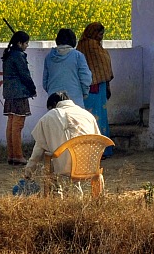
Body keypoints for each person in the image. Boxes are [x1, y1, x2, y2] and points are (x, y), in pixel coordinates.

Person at [22, 91, 101, 194]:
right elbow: (98, 140)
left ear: (54, 105)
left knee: (46, 165)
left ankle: (57, 196)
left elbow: (37, 152)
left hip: (64, 168)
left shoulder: (49, 117)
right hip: (90, 164)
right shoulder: (87, 115)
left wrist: (28, 172)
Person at [76, 22, 114, 157]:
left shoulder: (81, 45)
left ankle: (91, 150)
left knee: (92, 117)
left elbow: (102, 64)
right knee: (97, 118)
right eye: (99, 34)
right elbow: (102, 63)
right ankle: (100, 150)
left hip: (89, 87)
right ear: (93, 33)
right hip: (94, 87)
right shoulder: (91, 46)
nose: (101, 37)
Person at [1, 30, 36, 165]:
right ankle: (18, 155)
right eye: (26, 43)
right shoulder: (19, 56)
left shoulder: (9, 54)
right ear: (20, 43)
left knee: (11, 124)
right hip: (19, 94)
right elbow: (25, 75)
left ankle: (11, 155)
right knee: (18, 125)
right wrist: (32, 89)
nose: (27, 46)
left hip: (9, 94)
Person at [42, 28, 92, 107]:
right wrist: (84, 92)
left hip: (54, 99)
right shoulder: (78, 56)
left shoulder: (49, 57)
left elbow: (45, 82)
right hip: (75, 99)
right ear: (73, 40)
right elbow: (86, 78)